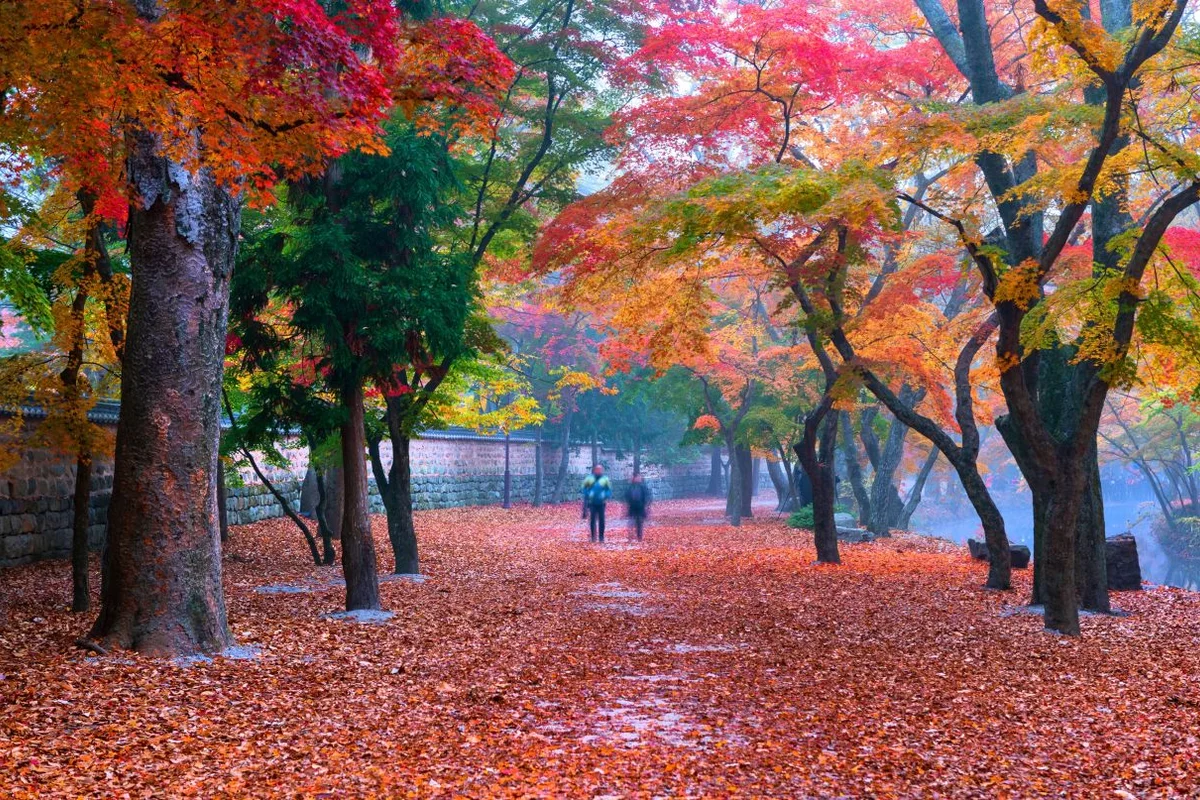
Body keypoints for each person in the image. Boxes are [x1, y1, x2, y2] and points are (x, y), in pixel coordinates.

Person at [580, 464, 612, 543]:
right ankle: (593, 537)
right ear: (594, 470)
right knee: (592, 520)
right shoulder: (589, 478)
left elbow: (609, 489)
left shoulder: (605, 479)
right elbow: (583, 488)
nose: (599, 471)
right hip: (592, 502)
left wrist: (605, 495)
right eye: (597, 469)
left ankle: (601, 537)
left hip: (601, 502)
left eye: (600, 469)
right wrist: (588, 494)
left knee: (602, 520)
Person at [626, 473, 651, 541]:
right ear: (634, 478)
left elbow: (647, 495)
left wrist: (646, 505)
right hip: (632, 507)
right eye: (638, 477)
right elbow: (627, 496)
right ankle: (631, 536)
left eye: (639, 477)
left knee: (639, 522)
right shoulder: (630, 486)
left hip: (640, 507)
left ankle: (639, 537)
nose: (639, 478)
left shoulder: (642, 486)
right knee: (631, 522)